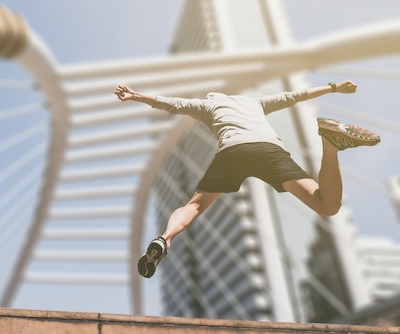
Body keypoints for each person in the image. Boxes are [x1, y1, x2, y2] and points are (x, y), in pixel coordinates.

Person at [114, 80, 381, 278]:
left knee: (194, 206)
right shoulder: (255, 103)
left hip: (232, 152)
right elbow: (294, 96)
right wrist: (333, 87)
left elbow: (172, 103)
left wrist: (135, 95)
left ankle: (164, 238)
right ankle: (330, 143)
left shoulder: (207, 104)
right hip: (268, 150)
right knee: (327, 204)